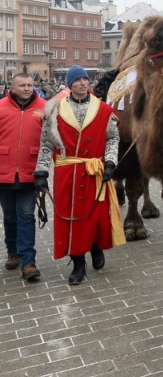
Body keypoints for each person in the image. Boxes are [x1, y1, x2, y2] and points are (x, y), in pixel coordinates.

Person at [34, 65, 121, 285]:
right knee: (69, 219)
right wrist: (41, 172)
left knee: (94, 216)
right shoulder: (54, 110)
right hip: (67, 173)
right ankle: (78, 263)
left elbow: (112, 138)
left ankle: (96, 247)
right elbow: (45, 143)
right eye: (77, 80)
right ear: (70, 84)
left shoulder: (103, 109)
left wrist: (111, 161)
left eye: (85, 79)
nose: (83, 83)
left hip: (94, 171)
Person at [0, 73, 45, 281]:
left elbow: (49, 140)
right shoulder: (1, 106)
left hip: (30, 171)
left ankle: (28, 262)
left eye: (30, 85)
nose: (27, 88)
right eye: (22, 85)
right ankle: (13, 251)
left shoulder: (44, 107)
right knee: (10, 216)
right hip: (4, 171)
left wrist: (44, 171)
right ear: (12, 87)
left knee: (26, 216)